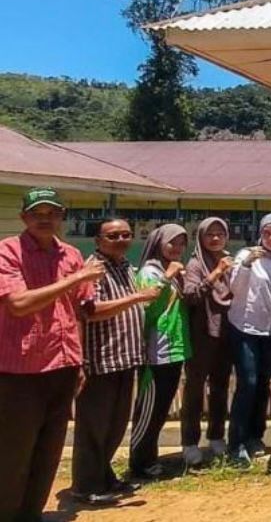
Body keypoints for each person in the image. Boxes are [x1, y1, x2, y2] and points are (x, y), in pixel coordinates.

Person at [0, 188, 104, 522]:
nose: (45, 219)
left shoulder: (71, 254)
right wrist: (76, 277)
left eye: (52, 213)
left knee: (49, 451)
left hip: (64, 366)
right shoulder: (8, 252)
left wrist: (81, 359)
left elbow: (80, 310)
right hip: (21, 370)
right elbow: (18, 304)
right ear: (24, 218)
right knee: (14, 453)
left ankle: (31, 514)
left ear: (61, 216)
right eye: (37, 213)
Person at [72, 218, 159, 505]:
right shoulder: (93, 269)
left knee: (115, 424)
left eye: (126, 235)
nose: (121, 239)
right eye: (113, 236)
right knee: (94, 426)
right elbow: (91, 310)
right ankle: (86, 486)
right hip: (100, 359)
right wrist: (138, 297)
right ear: (98, 240)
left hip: (125, 358)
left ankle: (104, 476)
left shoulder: (122, 266)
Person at [227, 213, 271, 465]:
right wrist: (244, 266)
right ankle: (237, 444)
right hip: (246, 327)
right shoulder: (247, 256)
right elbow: (235, 289)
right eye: (267, 233)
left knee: (264, 383)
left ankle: (255, 437)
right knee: (248, 383)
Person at [129, 223, 192, 480]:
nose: (177, 248)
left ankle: (150, 459)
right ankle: (140, 463)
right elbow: (149, 307)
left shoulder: (169, 271)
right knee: (149, 409)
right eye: (172, 243)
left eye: (181, 244)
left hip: (174, 350)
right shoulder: (150, 272)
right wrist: (168, 278)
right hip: (157, 351)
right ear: (158, 243)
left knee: (162, 407)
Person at [180, 217, 235, 466]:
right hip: (201, 333)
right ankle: (190, 442)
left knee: (221, 387)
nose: (215, 239)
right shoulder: (195, 264)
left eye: (219, 234)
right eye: (209, 234)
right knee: (194, 388)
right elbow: (191, 295)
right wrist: (216, 273)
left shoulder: (230, 262)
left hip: (226, 333)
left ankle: (216, 436)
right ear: (200, 237)